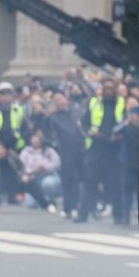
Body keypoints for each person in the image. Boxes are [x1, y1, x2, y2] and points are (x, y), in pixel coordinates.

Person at [81, 78, 126, 222]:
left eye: (111, 89)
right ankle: (83, 215)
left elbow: (126, 124)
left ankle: (118, 216)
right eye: (105, 89)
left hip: (114, 149)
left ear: (115, 90)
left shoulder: (122, 104)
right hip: (96, 147)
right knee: (89, 181)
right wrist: (89, 132)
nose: (108, 91)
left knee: (115, 183)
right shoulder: (94, 102)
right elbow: (84, 123)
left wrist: (120, 136)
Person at [47, 91, 84, 219]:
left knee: (81, 179)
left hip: (80, 149)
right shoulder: (54, 117)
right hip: (65, 151)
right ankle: (69, 207)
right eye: (57, 101)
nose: (60, 102)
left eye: (61, 99)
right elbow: (48, 133)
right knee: (68, 179)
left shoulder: (76, 112)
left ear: (67, 100)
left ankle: (81, 206)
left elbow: (81, 127)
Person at [18, 131, 61, 212]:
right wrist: (30, 172)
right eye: (33, 138)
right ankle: (41, 200)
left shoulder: (48, 151)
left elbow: (57, 163)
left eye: (38, 139)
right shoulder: (26, 151)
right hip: (32, 177)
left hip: (47, 175)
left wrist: (45, 166)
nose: (35, 141)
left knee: (49, 183)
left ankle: (50, 200)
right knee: (31, 204)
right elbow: (21, 165)